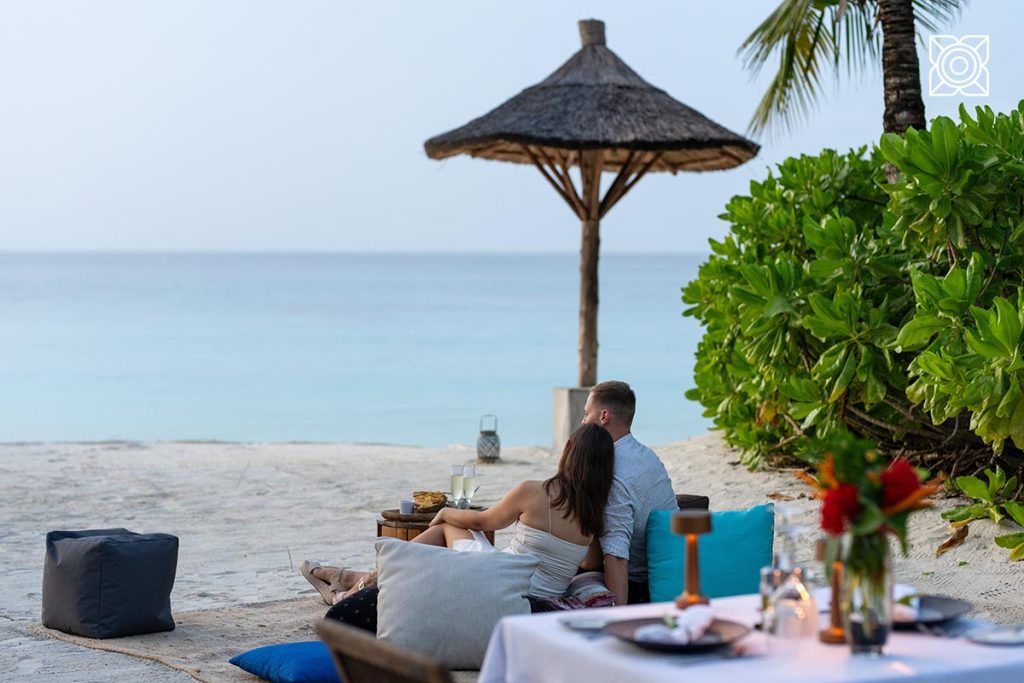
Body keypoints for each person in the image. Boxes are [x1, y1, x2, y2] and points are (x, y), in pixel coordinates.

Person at [301, 422, 615, 609]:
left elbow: (484, 522)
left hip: (502, 581)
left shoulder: (536, 491)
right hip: (530, 594)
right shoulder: (593, 517)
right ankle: (358, 579)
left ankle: (357, 587)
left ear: (569, 452)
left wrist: (446, 512)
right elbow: (587, 564)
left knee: (448, 524)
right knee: (447, 530)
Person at [579, 380, 677, 605]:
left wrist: (619, 616)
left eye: (586, 414)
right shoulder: (646, 455)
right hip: (670, 562)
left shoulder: (612, 474)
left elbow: (616, 557)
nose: (583, 421)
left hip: (639, 583)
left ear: (604, 416)